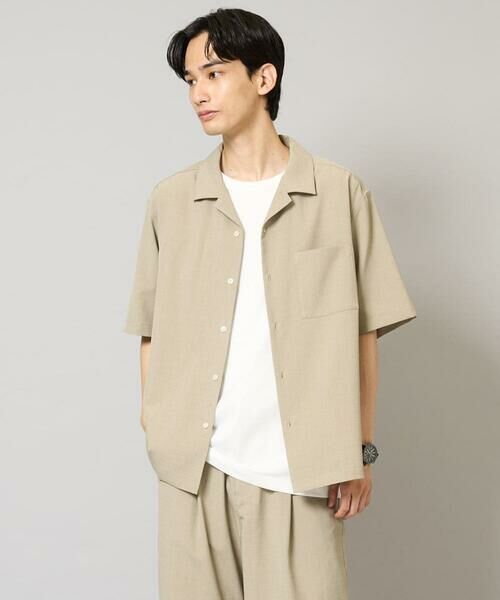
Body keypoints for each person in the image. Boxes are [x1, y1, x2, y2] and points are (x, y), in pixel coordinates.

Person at [123, 8, 417, 599]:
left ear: (264, 78)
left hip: (301, 470)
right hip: (194, 472)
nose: (198, 94)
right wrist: (158, 427)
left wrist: (360, 450)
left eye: (213, 74)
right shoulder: (172, 201)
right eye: (190, 80)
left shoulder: (338, 193)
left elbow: (363, 333)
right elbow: (151, 328)